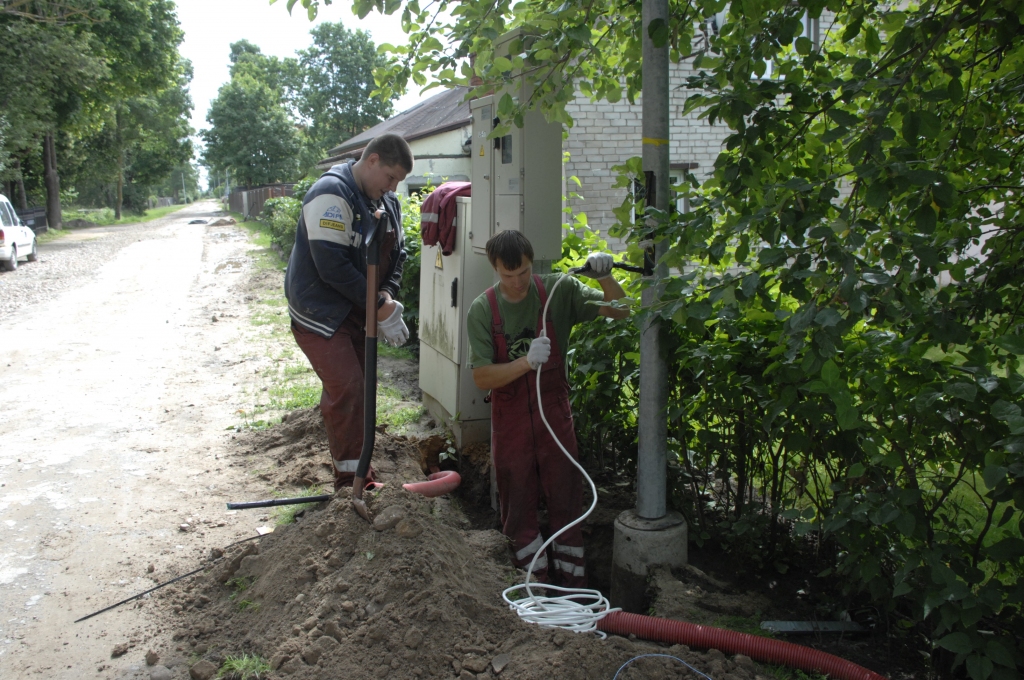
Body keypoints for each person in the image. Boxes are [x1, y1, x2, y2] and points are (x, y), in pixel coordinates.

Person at [466, 231, 630, 587]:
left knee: (566, 497)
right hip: (510, 423)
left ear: (531, 262)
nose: (517, 282)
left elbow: (621, 310)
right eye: (507, 275)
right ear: (494, 269)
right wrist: (526, 362)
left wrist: (605, 276)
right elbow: (481, 377)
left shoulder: (559, 291)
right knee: (518, 502)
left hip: (554, 413)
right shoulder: (483, 310)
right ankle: (532, 586)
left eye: (523, 272)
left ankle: (574, 589)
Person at [285, 133, 414, 491]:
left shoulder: (387, 201)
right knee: (349, 387)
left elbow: (398, 255)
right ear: (372, 160)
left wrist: (387, 293)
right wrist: (379, 306)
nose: (393, 187)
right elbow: (332, 267)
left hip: (357, 310)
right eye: (390, 177)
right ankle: (349, 484)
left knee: (363, 389)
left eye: (398, 182)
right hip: (319, 312)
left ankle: (360, 474)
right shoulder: (330, 194)